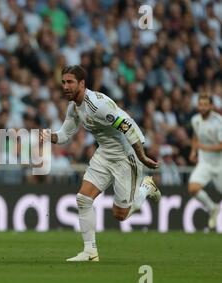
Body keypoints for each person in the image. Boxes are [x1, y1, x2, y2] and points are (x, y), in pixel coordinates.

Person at [42, 65, 161, 262]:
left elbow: (128, 126)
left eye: (70, 82)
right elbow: (64, 135)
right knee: (83, 199)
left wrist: (141, 156)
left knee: (120, 215)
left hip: (126, 154)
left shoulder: (98, 106)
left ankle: (146, 188)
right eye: (63, 82)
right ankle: (90, 252)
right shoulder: (73, 107)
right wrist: (47, 136)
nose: (65, 86)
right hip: (105, 153)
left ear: (82, 83)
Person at [188, 93, 222, 230]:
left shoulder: (218, 122)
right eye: (200, 104)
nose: (202, 107)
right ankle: (213, 208)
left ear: (211, 106)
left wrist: (204, 147)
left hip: (219, 165)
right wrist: (193, 151)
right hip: (204, 163)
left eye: (205, 105)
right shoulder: (195, 119)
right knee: (193, 188)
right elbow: (195, 136)